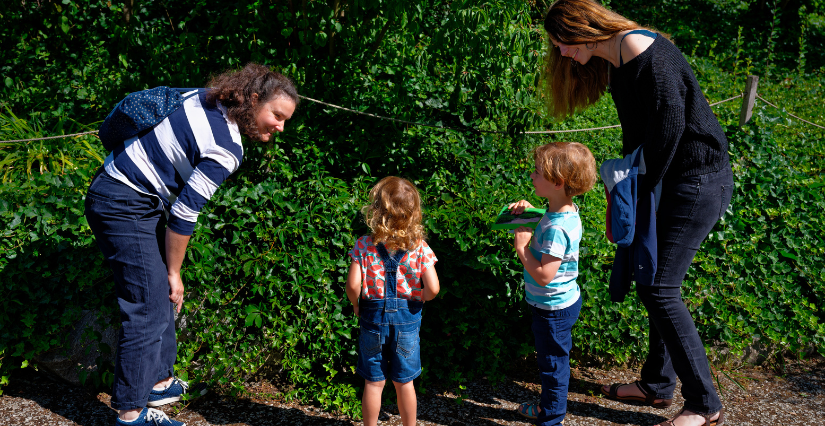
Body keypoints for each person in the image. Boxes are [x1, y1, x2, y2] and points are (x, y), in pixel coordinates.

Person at [541, 1, 733, 425]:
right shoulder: (617, 60)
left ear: (582, 29)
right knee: (653, 278)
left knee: (659, 286)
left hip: (696, 181)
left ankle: (705, 404)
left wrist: (638, 188)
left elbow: (671, 127)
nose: (564, 54)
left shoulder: (642, 49)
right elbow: (642, 132)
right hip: (668, 179)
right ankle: (657, 386)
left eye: (563, 45)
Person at [84, 63, 298, 426]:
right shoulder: (227, 148)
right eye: (277, 115)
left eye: (285, 121)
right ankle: (131, 412)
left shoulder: (204, 99)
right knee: (149, 304)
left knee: (162, 294)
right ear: (254, 99)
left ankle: (160, 382)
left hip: (131, 195)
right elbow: (184, 214)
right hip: (123, 201)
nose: (280, 127)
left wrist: (171, 276)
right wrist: (174, 270)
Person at [508, 142, 597, 426]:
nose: (531, 177)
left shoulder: (558, 227)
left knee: (553, 367)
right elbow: (550, 224)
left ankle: (552, 418)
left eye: (537, 173)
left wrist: (522, 249)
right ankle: (550, 409)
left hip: (553, 309)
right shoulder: (564, 211)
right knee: (551, 362)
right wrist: (532, 211)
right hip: (557, 303)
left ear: (557, 182)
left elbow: (545, 275)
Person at [345, 176, 440, 426]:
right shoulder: (419, 247)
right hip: (407, 320)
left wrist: (356, 304)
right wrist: (420, 296)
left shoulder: (364, 245)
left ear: (376, 212)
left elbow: (353, 285)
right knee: (404, 382)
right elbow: (433, 287)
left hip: (372, 318)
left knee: (374, 383)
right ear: (413, 213)